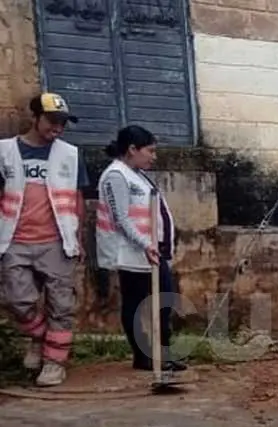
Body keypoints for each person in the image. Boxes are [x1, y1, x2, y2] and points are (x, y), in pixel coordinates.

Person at [0, 93, 90, 387]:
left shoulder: (71, 155)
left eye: (63, 123)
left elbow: (77, 199)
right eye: (52, 121)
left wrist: (78, 239)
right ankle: (41, 338)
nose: (58, 128)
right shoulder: (5, 151)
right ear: (34, 118)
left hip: (57, 240)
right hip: (14, 239)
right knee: (17, 300)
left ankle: (54, 363)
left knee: (61, 305)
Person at [96, 125, 187, 374]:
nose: (153, 156)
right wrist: (145, 244)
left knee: (164, 300)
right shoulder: (116, 175)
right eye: (150, 150)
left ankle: (161, 353)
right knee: (139, 304)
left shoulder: (135, 173)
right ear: (132, 149)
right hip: (132, 252)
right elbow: (121, 218)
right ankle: (145, 355)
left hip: (148, 251)